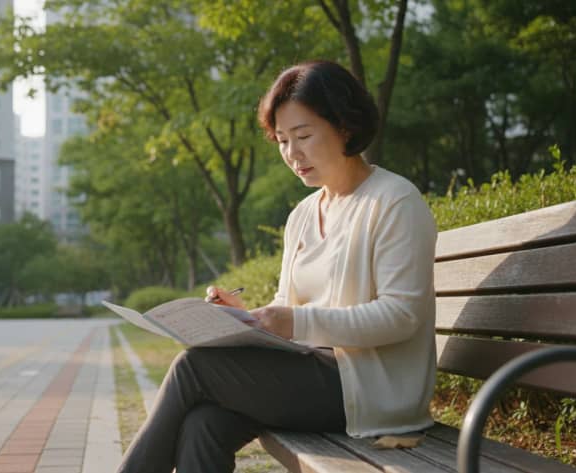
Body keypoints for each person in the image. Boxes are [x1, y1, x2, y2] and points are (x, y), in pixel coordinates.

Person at [116, 60, 438, 473]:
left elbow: (401, 316)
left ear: (345, 126)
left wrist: (292, 321)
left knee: (193, 367)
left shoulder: (394, 201)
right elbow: (289, 307)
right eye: (283, 140)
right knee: (203, 424)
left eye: (303, 136)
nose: (292, 153)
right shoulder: (303, 215)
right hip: (311, 376)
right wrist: (245, 319)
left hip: (371, 390)